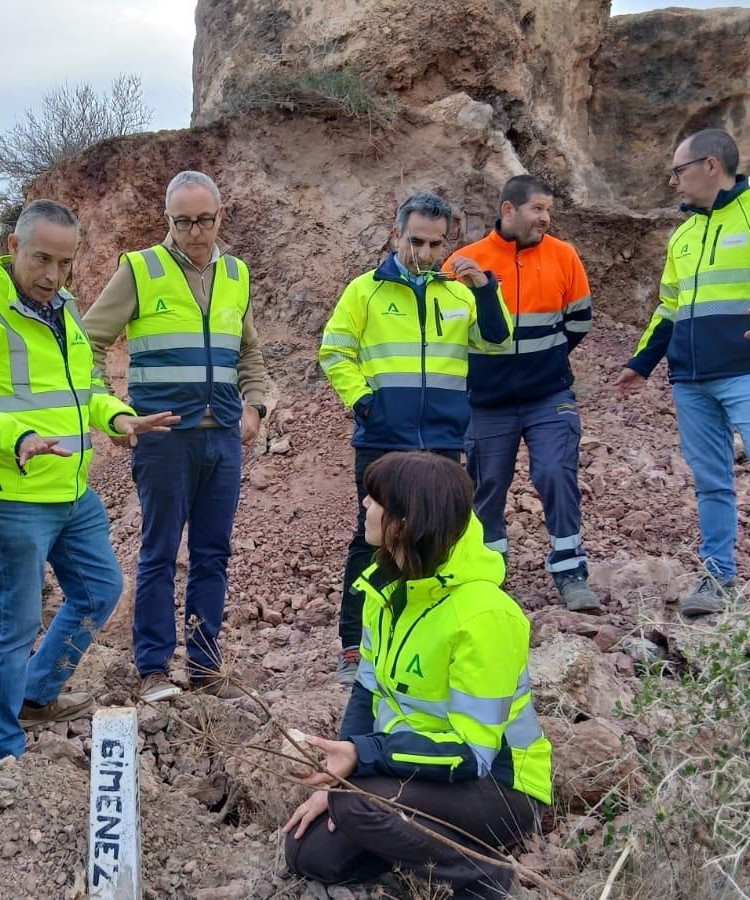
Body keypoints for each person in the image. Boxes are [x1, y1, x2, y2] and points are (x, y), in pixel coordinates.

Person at [0, 200, 178, 759]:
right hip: (11, 497)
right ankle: (2, 754)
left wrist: (119, 417)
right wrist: (18, 437)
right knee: (14, 625)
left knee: (101, 589)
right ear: (12, 248)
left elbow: (86, 390)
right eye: (41, 259)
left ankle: (36, 692)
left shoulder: (66, 309)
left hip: (71, 492)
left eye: (65, 262)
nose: (53, 275)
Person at [282, 452, 551, 898]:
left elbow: (472, 754)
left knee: (355, 806)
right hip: (418, 773)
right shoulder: (385, 589)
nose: (365, 507)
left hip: (500, 788)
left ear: (405, 522)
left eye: (375, 501)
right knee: (309, 855)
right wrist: (341, 776)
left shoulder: (484, 615)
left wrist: (361, 763)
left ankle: (482, 879)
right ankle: (420, 843)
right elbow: (366, 692)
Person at [615, 129, 750, 617]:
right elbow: (668, 308)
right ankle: (718, 576)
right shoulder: (684, 235)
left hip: (746, 369)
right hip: (690, 379)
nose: (673, 181)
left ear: (710, 165)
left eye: (678, 171)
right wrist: (642, 363)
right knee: (711, 479)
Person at [81, 170, 269, 702]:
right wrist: (113, 411)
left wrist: (254, 405)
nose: (193, 232)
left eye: (203, 221)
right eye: (182, 222)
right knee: (159, 551)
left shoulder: (237, 273)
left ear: (219, 217)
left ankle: (206, 668)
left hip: (223, 439)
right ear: (168, 220)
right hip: (164, 438)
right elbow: (87, 342)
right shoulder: (140, 269)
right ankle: (155, 669)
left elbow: (249, 351)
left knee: (213, 553)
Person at [319, 192, 511, 685]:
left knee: (439, 538)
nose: (425, 254)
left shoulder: (458, 292)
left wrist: (485, 289)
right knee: (374, 540)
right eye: (416, 241)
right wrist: (366, 404)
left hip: (443, 443)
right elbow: (334, 352)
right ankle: (354, 647)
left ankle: (427, 645)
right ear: (395, 233)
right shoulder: (364, 291)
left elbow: (497, 340)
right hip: (383, 442)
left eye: (435, 243)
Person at [447, 175, 601, 613]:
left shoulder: (564, 256)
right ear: (509, 210)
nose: (546, 219)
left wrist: (543, 363)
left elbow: (579, 322)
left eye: (548, 210)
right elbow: (450, 334)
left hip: (548, 396)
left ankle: (571, 572)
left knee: (555, 473)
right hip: (486, 402)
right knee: (488, 487)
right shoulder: (463, 262)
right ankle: (491, 576)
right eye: (538, 209)